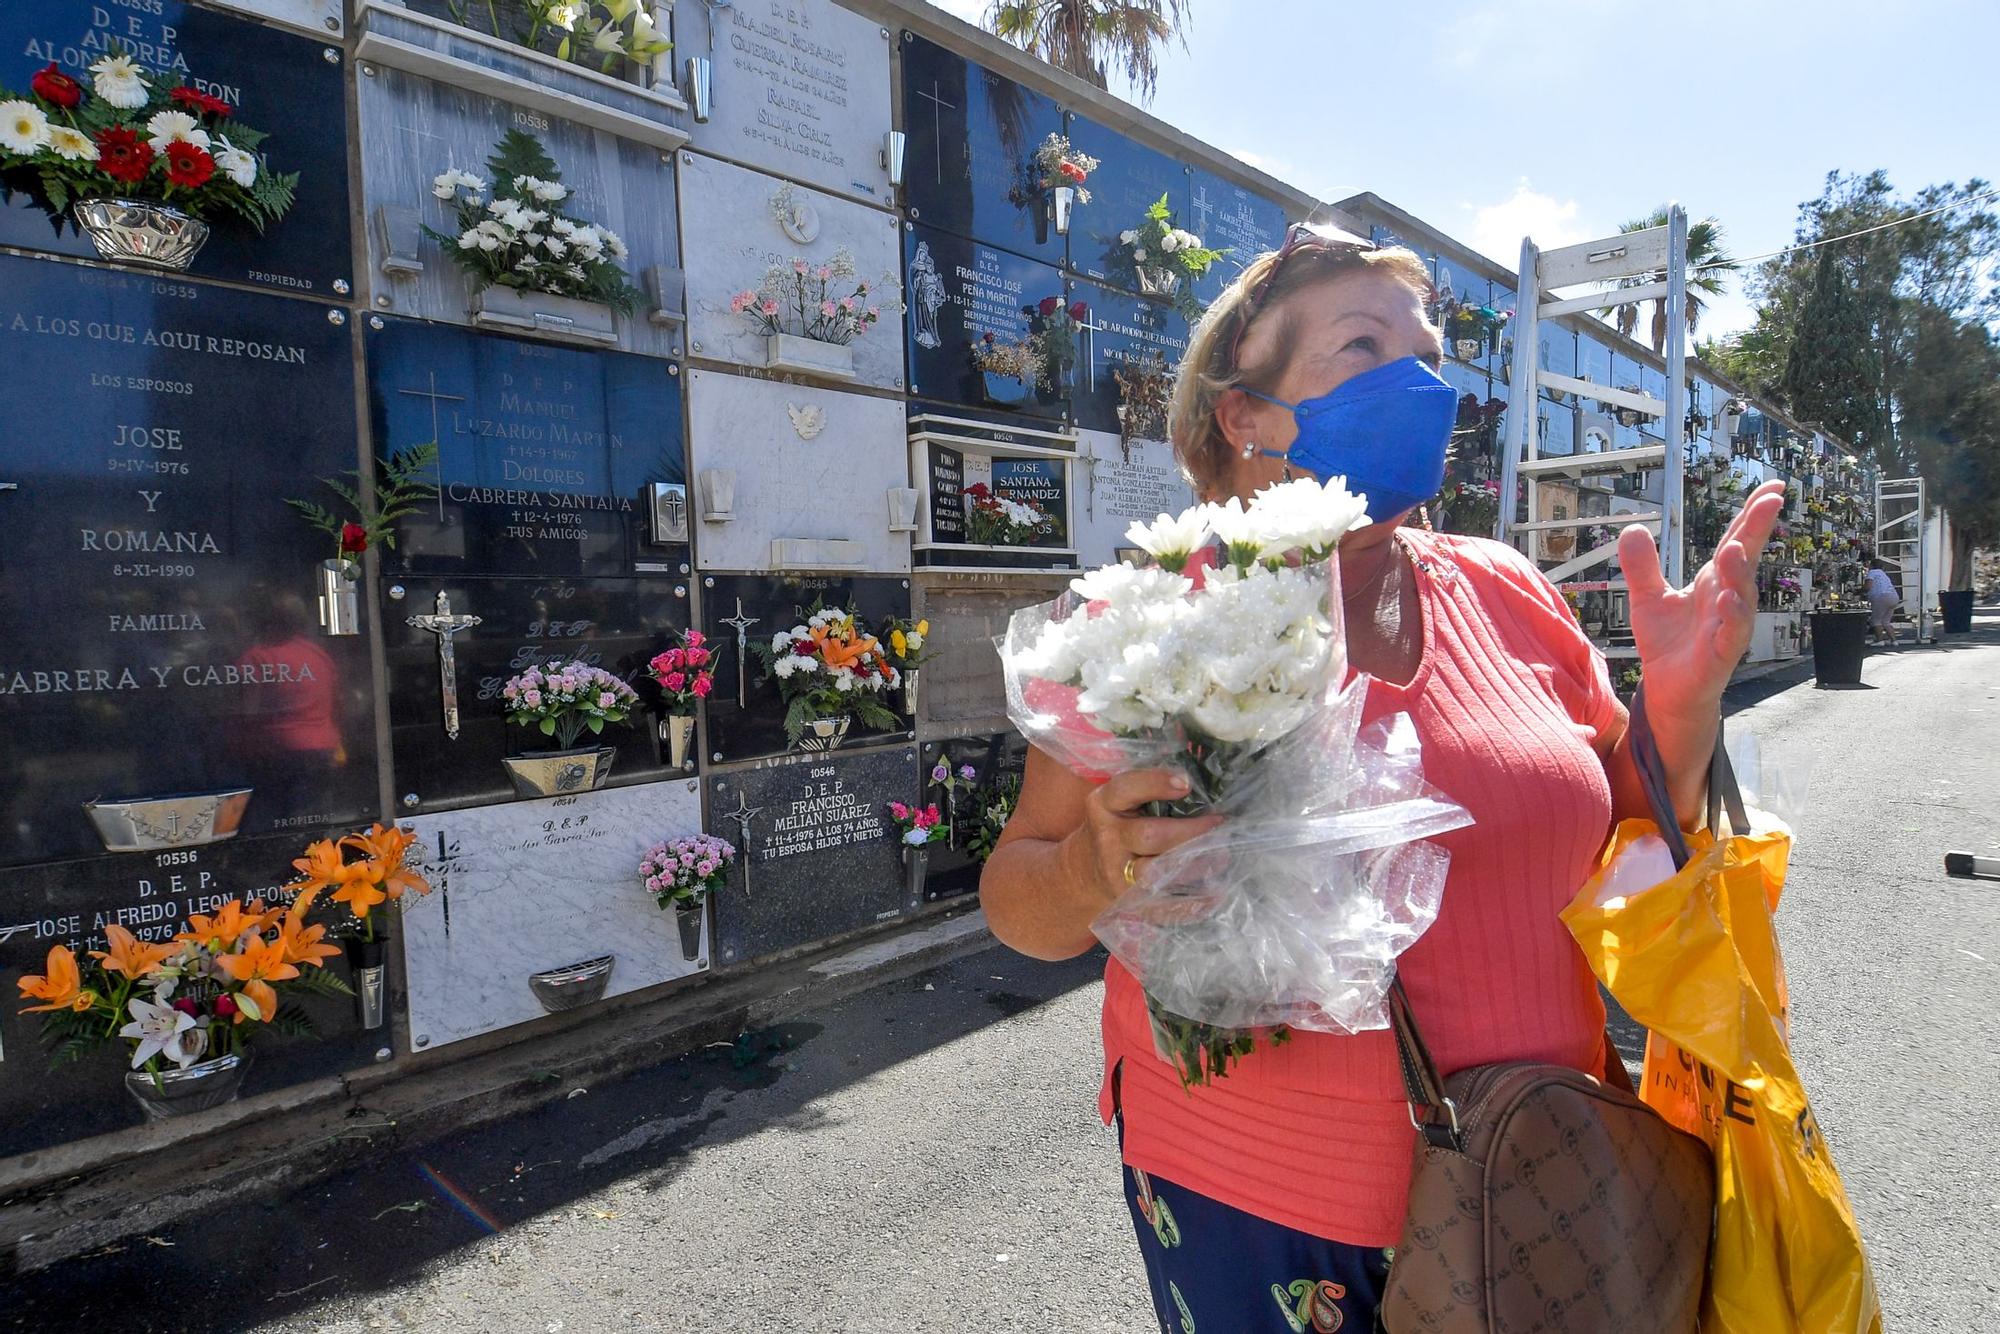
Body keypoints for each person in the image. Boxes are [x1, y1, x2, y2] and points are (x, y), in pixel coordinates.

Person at [979, 223, 1786, 1333]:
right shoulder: (1146, 617)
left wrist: (1678, 709)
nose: (1417, 384)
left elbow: (1629, 838)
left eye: (1431, 355)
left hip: (1538, 1174)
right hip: (1251, 1200)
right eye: (1362, 349)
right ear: (1243, 414)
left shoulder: (1506, 590)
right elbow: (1017, 895)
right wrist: (1088, 866)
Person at [1864, 560, 1901, 645]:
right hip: (1893, 596)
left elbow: (1868, 587)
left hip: (1881, 597)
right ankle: (1894, 640)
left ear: (1871, 565)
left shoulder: (1872, 573)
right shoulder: (1883, 574)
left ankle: (1880, 640)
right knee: (1886, 621)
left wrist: (1859, 591)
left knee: (1876, 620)